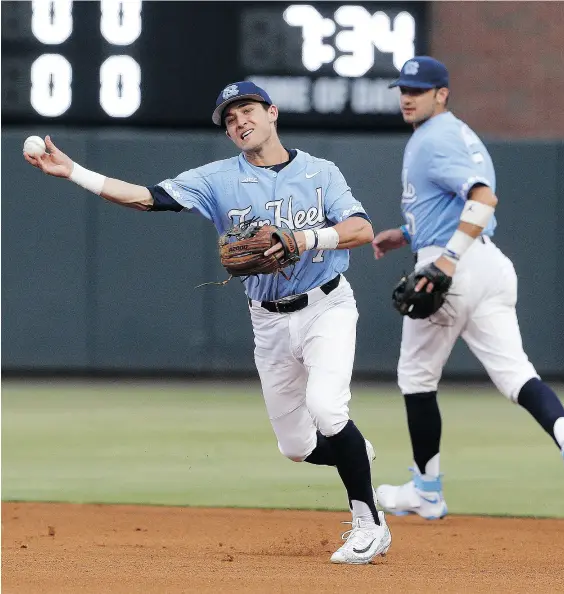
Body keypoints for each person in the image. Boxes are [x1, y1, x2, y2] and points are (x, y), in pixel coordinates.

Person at [24, 81, 391, 563]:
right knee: (297, 447)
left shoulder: (321, 172)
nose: (239, 121)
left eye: (247, 111)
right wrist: (74, 171)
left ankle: (369, 522)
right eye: (229, 118)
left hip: (327, 306)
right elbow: (144, 197)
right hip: (269, 321)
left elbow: (361, 229)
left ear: (272, 113)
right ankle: (354, 452)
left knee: (327, 408)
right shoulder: (217, 179)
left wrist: (304, 239)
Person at [371, 57, 564, 524]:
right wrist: (407, 232)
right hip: (490, 264)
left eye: (419, 90)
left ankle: (426, 491)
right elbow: (461, 203)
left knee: (416, 379)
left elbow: (483, 198)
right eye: (404, 89)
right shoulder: (457, 134)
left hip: (454, 263)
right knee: (517, 375)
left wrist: (446, 258)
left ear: (443, 93)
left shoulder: (432, 139)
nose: (408, 97)